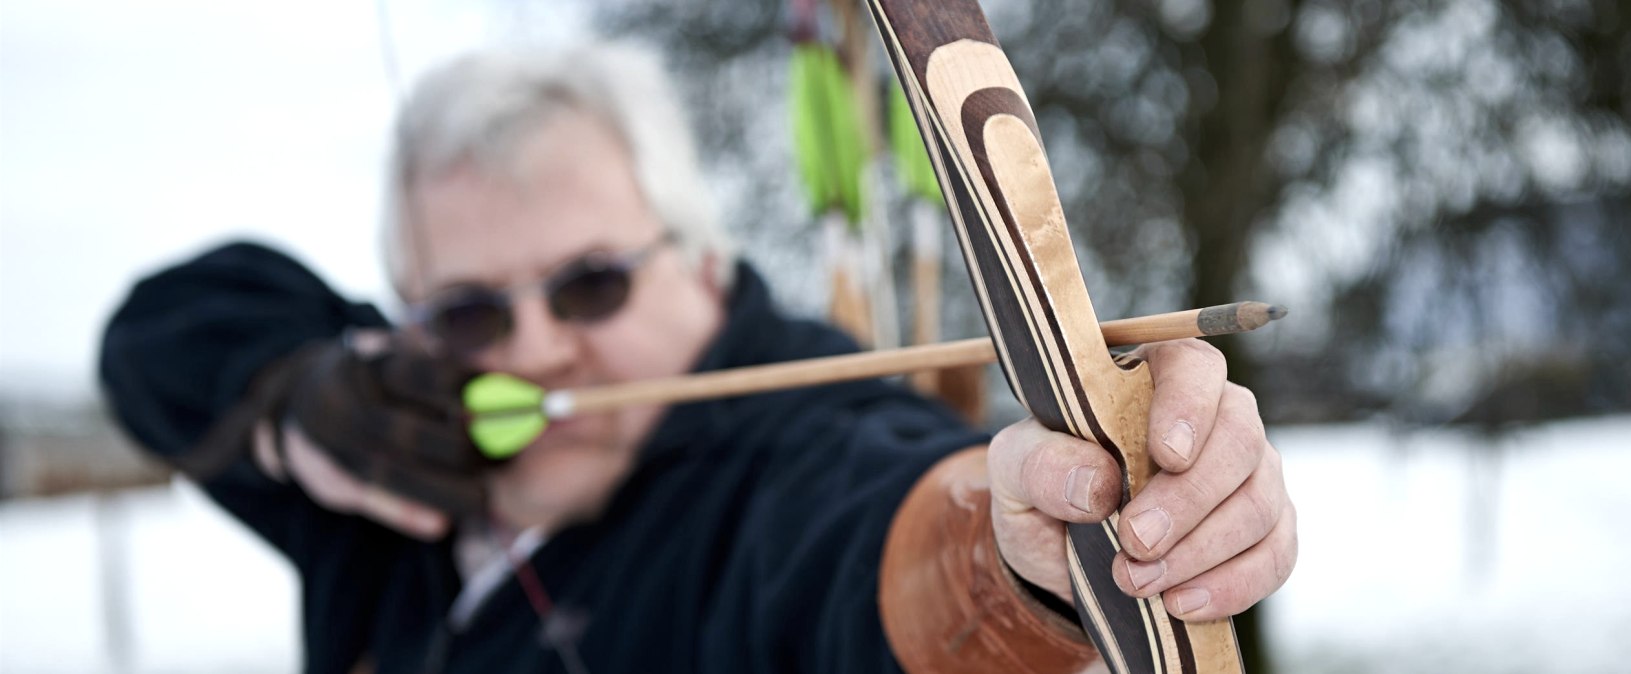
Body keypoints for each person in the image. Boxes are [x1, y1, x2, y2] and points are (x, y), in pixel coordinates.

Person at [99, 42, 1295, 673]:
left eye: (593, 281)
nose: (534, 344)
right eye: (466, 311)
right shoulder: (393, 465)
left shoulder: (797, 451)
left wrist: (1036, 548)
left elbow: (895, 536)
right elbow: (162, 333)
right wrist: (295, 405)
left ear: (708, 262)